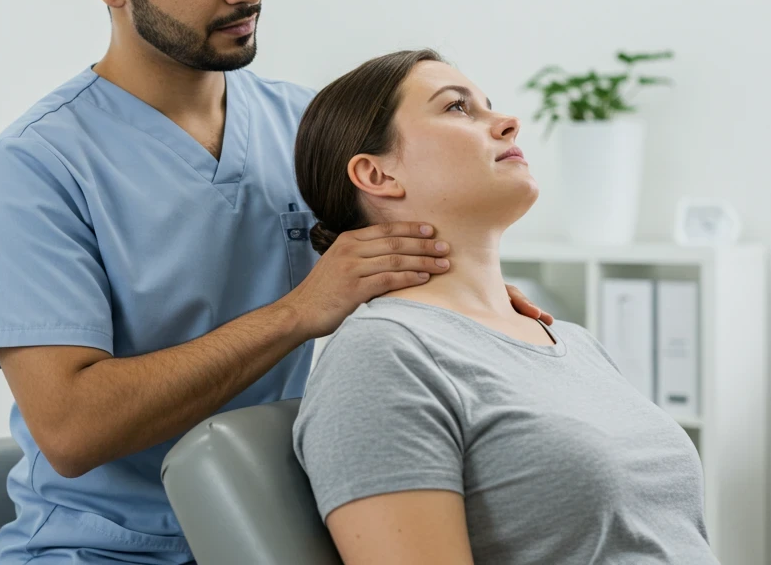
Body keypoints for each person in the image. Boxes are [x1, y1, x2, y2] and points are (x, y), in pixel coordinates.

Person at [0, 0, 550, 563]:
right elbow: (72, 429)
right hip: (116, 551)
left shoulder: (305, 123)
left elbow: (403, 267)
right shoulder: (37, 167)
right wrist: (299, 311)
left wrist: (476, 302)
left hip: (289, 531)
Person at [292, 49, 719, 565]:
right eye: (457, 108)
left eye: (488, 105)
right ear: (378, 175)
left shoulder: (569, 339)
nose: (510, 122)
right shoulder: (382, 356)